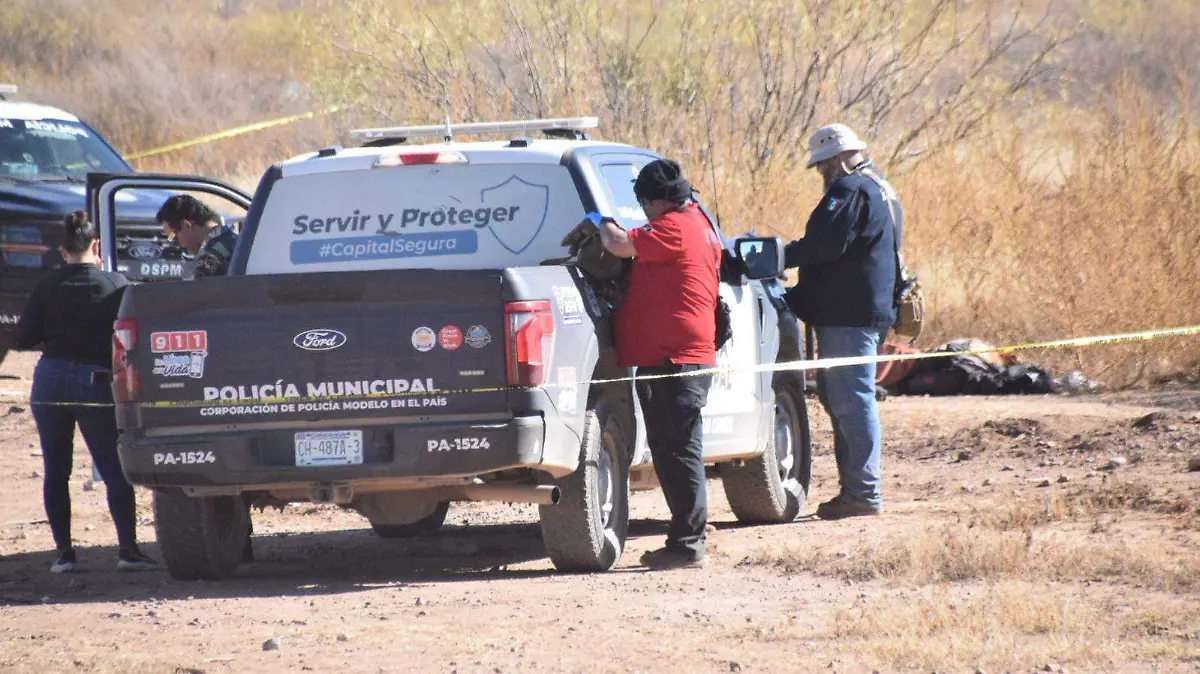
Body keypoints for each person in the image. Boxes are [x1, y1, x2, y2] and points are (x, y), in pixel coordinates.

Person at [14, 211, 159, 572]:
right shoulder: (116, 283)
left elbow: (24, 338)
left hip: (49, 380)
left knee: (55, 471)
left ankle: (64, 555)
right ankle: (127, 550)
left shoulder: (46, 286)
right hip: (95, 381)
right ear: (96, 246)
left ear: (62, 249)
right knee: (113, 469)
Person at [597, 158, 723, 569]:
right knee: (677, 449)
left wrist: (599, 220)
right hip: (681, 356)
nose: (645, 212)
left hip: (675, 359)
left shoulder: (673, 228)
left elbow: (618, 244)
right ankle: (687, 538)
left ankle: (688, 543)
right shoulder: (700, 225)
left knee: (679, 450)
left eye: (645, 204)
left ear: (655, 200)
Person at [783, 123, 902, 519]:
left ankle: (863, 493)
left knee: (851, 400)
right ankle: (856, 489)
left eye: (821, 165)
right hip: (867, 309)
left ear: (835, 158)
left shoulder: (849, 190)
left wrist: (777, 257)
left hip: (848, 315)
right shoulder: (881, 187)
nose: (820, 173)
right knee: (845, 398)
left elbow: (824, 246)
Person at [156, 194, 254, 563]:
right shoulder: (236, 239)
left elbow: (199, 306)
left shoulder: (213, 253)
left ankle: (240, 544)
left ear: (187, 225)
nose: (177, 243)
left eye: (174, 235)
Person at [156, 194, 237, 279]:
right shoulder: (229, 240)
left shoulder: (213, 256)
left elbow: (195, 289)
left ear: (186, 225)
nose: (177, 245)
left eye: (174, 237)